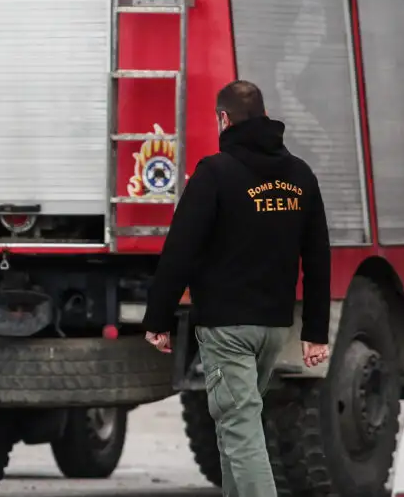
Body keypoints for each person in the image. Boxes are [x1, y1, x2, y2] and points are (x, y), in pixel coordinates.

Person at [142, 80, 331, 497]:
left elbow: (180, 251)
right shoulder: (300, 176)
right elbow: (317, 256)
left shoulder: (215, 173)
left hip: (227, 328)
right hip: (273, 328)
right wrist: (315, 331)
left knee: (241, 430)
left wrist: (158, 318)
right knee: (236, 425)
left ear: (224, 119)